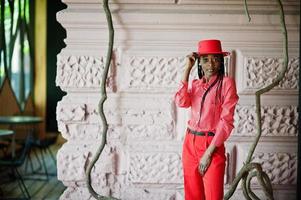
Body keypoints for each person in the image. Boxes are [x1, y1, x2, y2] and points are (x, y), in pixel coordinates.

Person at [174, 39, 239, 200]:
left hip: (212, 145)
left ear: (221, 61)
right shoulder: (196, 84)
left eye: (215, 59)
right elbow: (181, 102)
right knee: (193, 195)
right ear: (200, 63)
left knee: (213, 196)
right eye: (205, 59)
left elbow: (226, 122)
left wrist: (208, 153)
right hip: (190, 142)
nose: (211, 64)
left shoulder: (226, 84)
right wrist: (187, 70)